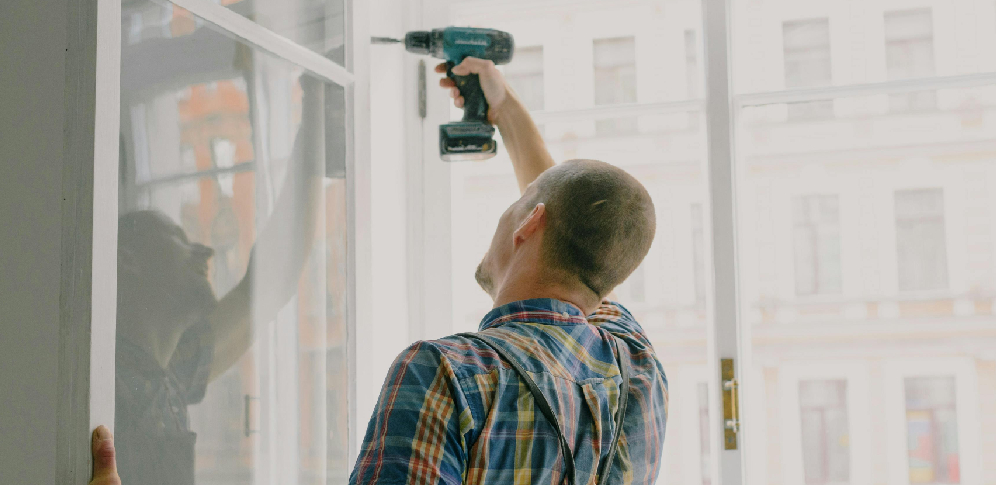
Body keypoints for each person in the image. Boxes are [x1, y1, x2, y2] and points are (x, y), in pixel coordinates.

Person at [88, 56, 668, 485]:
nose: (204, 252)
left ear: (527, 225)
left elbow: (572, 227)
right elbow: (585, 243)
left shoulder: (449, 376)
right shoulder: (636, 369)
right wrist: (505, 110)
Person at [112, 75, 324, 484]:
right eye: (178, 239)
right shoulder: (108, 380)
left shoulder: (168, 370)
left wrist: (315, 124)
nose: (205, 251)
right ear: (129, 261)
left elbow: (269, 284)